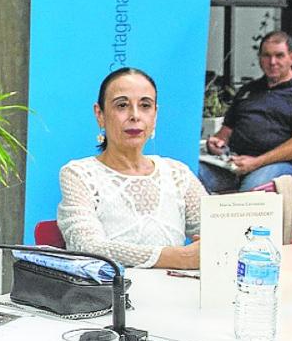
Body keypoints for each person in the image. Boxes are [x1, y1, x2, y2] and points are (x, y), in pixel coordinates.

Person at [57, 67, 204, 269]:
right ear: (100, 114)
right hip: (112, 295)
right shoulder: (79, 174)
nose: (135, 115)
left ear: (155, 115)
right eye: (122, 105)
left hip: (179, 292)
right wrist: (179, 258)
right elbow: (88, 246)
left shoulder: (177, 173)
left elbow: (217, 233)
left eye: (145, 105)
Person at [200, 31, 292, 193]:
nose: (272, 62)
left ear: (291, 58)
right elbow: (225, 132)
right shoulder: (248, 90)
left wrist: (256, 162)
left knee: (253, 192)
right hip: (233, 162)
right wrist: (217, 144)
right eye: (266, 55)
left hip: (275, 164)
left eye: (279, 55)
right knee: (191, 175)